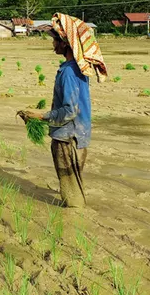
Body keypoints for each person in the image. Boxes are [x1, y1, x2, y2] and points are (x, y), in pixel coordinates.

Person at [18, 13, 107, 208]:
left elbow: (69, 110)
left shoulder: (68, 71)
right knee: (74, 182)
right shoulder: (79, 68)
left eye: (55, 40)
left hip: (68, 138)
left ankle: (75, 221)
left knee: (71, 190)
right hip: (79, 135)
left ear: (65, 43)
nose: (53, 44)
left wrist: (40, 115)